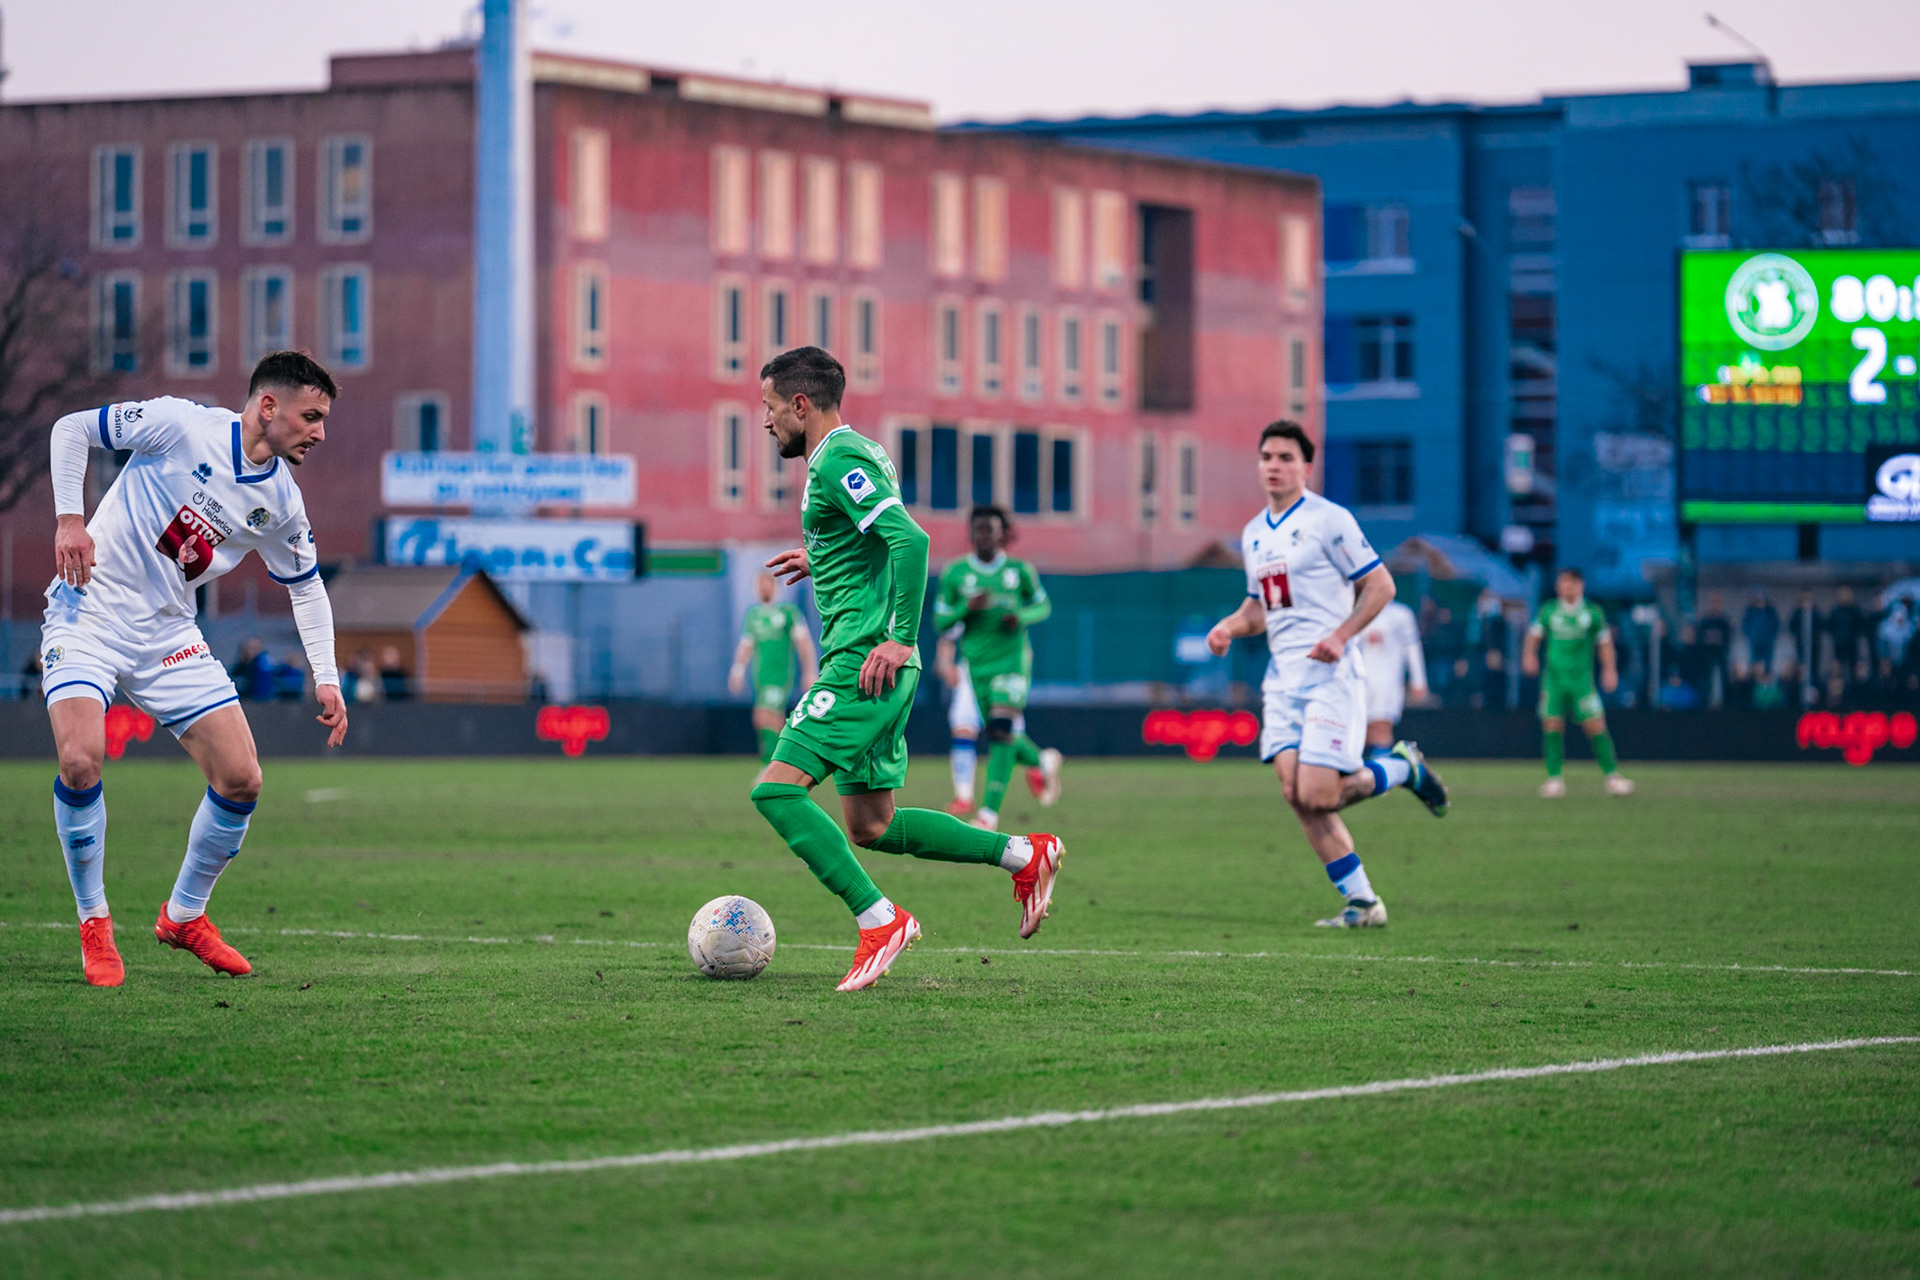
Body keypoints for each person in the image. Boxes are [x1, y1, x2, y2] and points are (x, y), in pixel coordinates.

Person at [749, 347, 1063, 992]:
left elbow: (910, 539)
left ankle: (880, 920)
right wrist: (824, 555)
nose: (766, 422)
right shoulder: (851, 456)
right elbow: (873, 537)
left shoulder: (838, 455)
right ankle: (1021, 853)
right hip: (873, 665)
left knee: (776, 791)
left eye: (771, 408)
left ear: (801, 405)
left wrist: (896, 639)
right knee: (872, 826)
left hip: (862, 664)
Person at [42, 351, 349, 987]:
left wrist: (327, 674)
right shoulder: (180, 425)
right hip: (90, 606)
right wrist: (70, 520)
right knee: (80, 760)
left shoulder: (283, 503)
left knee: (242, 779)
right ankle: (93, 921)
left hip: (168, 632)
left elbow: (307, 586)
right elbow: (70, 428)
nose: (320, 432)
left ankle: (184, 917)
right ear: (269, 406)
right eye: (312, 416)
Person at [1204, 421, 1449, 930]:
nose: (1274, 465)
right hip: (1282, 681)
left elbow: (1380, 586)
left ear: (1306, 467)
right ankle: (1363, 903)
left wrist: (1341, 635)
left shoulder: (1329, 520)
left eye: (1286, 457)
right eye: (1267, 456)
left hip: (1331, 677)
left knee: (1319, 794)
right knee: (1296, 795)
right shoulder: (1253, 534)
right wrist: (1229, 625)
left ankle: (1403, 768)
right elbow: (1261, 608)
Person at [932, 506, 1063, 831]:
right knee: (998, 735)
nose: (984, 536)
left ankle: (988, 814)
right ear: (971, 532)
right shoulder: (955, 574)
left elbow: (1042, 605)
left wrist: (1020, 615)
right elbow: (940, 621)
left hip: (1013, 663)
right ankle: (1040, 760)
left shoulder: (1019, 571)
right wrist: (966, 607)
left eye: (990, 530)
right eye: (979, 529)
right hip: (977, 666)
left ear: (1002, 533)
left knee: (1001, 731)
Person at [1522, 568, 1632, 797]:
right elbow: (1533, 636)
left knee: (1595, 725)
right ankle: (1554, 779)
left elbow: (1604, 643)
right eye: (1563, 583)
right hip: (1554, 681)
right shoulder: (1549, 610)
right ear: (1558, 586)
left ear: (1580, 586)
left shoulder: (1592, 612)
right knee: (1552, 725)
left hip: (1582, 682)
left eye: (1572, 583)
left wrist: (1609, 670)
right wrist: (1529, 655)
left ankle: (1612, 776)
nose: (1567, 587)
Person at [729, 571, 818, 765]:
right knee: (761, 719)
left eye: (767, 584)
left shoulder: (788, 613)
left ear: (775, 586)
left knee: (769, 718)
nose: (763, 588)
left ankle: (776, 766)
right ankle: (773, 765)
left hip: (780, 675)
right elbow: (746, 646)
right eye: (760, 584)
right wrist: (737, 671)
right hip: (760, 676)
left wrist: (809, 671)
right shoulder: (753, 615)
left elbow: (804, 644)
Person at [1356, 595, 1428, 752]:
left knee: (1381, 725)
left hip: (1388, 679)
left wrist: (1418, 681)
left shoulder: (1401, 614)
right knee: (1362, 729)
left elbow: (1412, 649)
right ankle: (1366, 770)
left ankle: (1382, 767)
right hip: (1359, 679)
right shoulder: (1355, 611)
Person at [933, 629, 980, 816]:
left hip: (1002, 669)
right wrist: (945, 666)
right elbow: (948, 636)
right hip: (971, 671)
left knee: (1006, 733)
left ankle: (1039, 763)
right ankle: (964, 797)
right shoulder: (967, 602)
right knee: (963, 731)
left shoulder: (1008, 601)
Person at [1741, 589, 1780, 677]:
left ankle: (1766, 684)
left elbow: (1776, 625)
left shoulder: (1770, 611)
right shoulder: (1750, 611)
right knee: (1754, 665)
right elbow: (1745, 626)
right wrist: (1751, 637)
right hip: (1755, 643)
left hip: (1768, 643)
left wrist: (1771, 637)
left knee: (1768, 665)